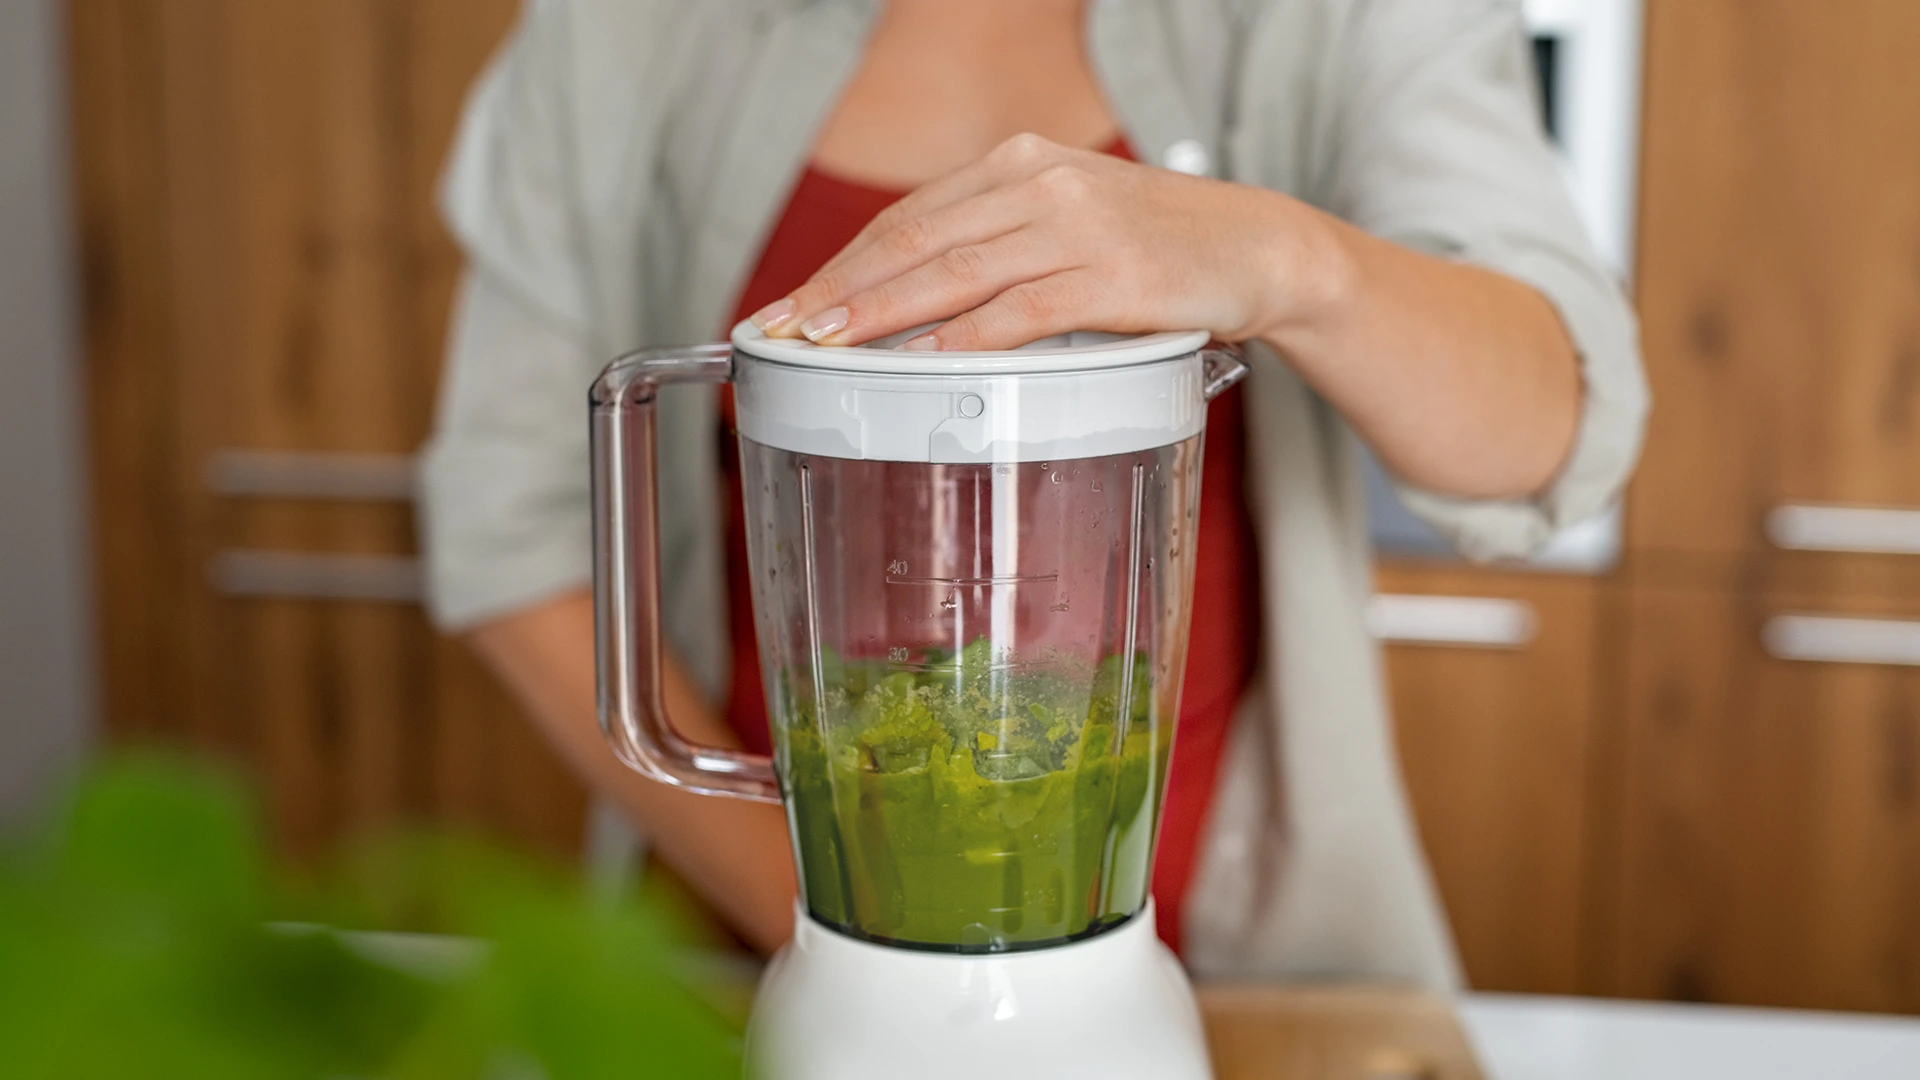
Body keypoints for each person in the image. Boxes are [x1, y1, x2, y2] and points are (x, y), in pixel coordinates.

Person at [420, 0, 1646, 987]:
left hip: (1245, 984)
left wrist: (1285, 261)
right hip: (746, 953)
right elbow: (506, 529)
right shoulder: (615, 32)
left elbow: (1553, 423)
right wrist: (834, 927)